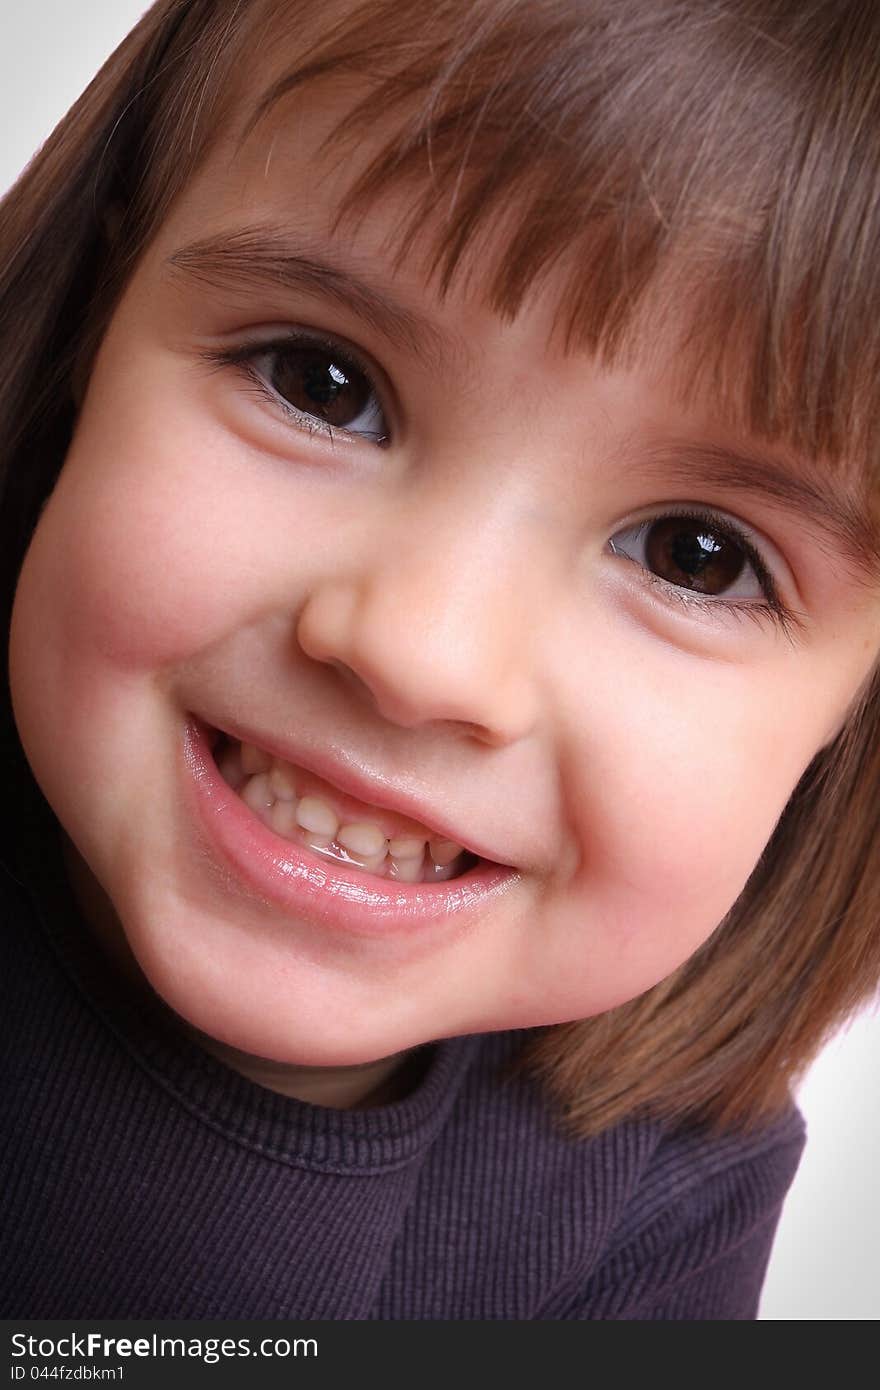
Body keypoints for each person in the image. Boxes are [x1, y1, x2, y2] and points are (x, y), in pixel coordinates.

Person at [2, 0, 879, 1321]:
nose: (423, 654)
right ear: (95, 325)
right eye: (320, 380)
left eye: (697, 555)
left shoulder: (665, 1201)